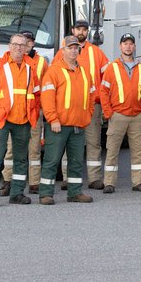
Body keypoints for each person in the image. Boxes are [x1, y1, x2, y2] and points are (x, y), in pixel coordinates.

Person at [38, 36, 97, 204]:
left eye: (75, 48)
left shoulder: (84, 72)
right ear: (63, 51)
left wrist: (87, 115)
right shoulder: (54, 71)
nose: (73, 51)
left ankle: (75, 192)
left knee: (76, 162)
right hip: (59, 125)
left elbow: (92, 96)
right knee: (52, 160)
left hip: (79, 125)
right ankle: (45, 194)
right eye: (69, 48)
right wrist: (53, 119)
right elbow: (47, 98)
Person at [0, 34, 38, 206]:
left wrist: (33, 113)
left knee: (21, 159)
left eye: (22, 45)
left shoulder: (31, 67)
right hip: (2, 119)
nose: (19, 47)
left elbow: (36, 94)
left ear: (27, 47)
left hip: (23, 120)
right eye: (15, 44)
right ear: (9, 46)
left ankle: (17, 194)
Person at [99, 33, 141, 193]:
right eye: (125, 43)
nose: (128, 46)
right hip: (118, 115)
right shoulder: (112, 68)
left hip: (137, 116)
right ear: (120, 46)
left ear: (134, 47)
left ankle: (138, 182)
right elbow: (103, 91)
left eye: (130, 44)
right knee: (112, 150)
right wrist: (108, 112)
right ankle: (109, 183)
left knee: (138, 151)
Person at [2, 30, 47, 195]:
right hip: (14, 112)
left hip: (35, 112)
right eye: (21, 42)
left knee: (34, 148)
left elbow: (46, 88)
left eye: (28, 41)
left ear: (32, 43)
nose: (24, 45)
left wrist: (44, 109)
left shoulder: (41, 63)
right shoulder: (9, 62)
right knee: (11, 149)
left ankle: (34, 183)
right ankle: (7, 181)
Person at [70, 19, 111, 190]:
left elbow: (107, 77)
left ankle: (94, 178)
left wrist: (102, 100)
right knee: (70, 142)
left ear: (88, 32)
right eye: (78, 29)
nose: (81, 32)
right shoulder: (64, 51)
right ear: (73, 30)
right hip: (71, 105)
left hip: (92, 104)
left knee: (93, 142)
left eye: (84, 29)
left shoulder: (96, 52)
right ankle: (68, 177)